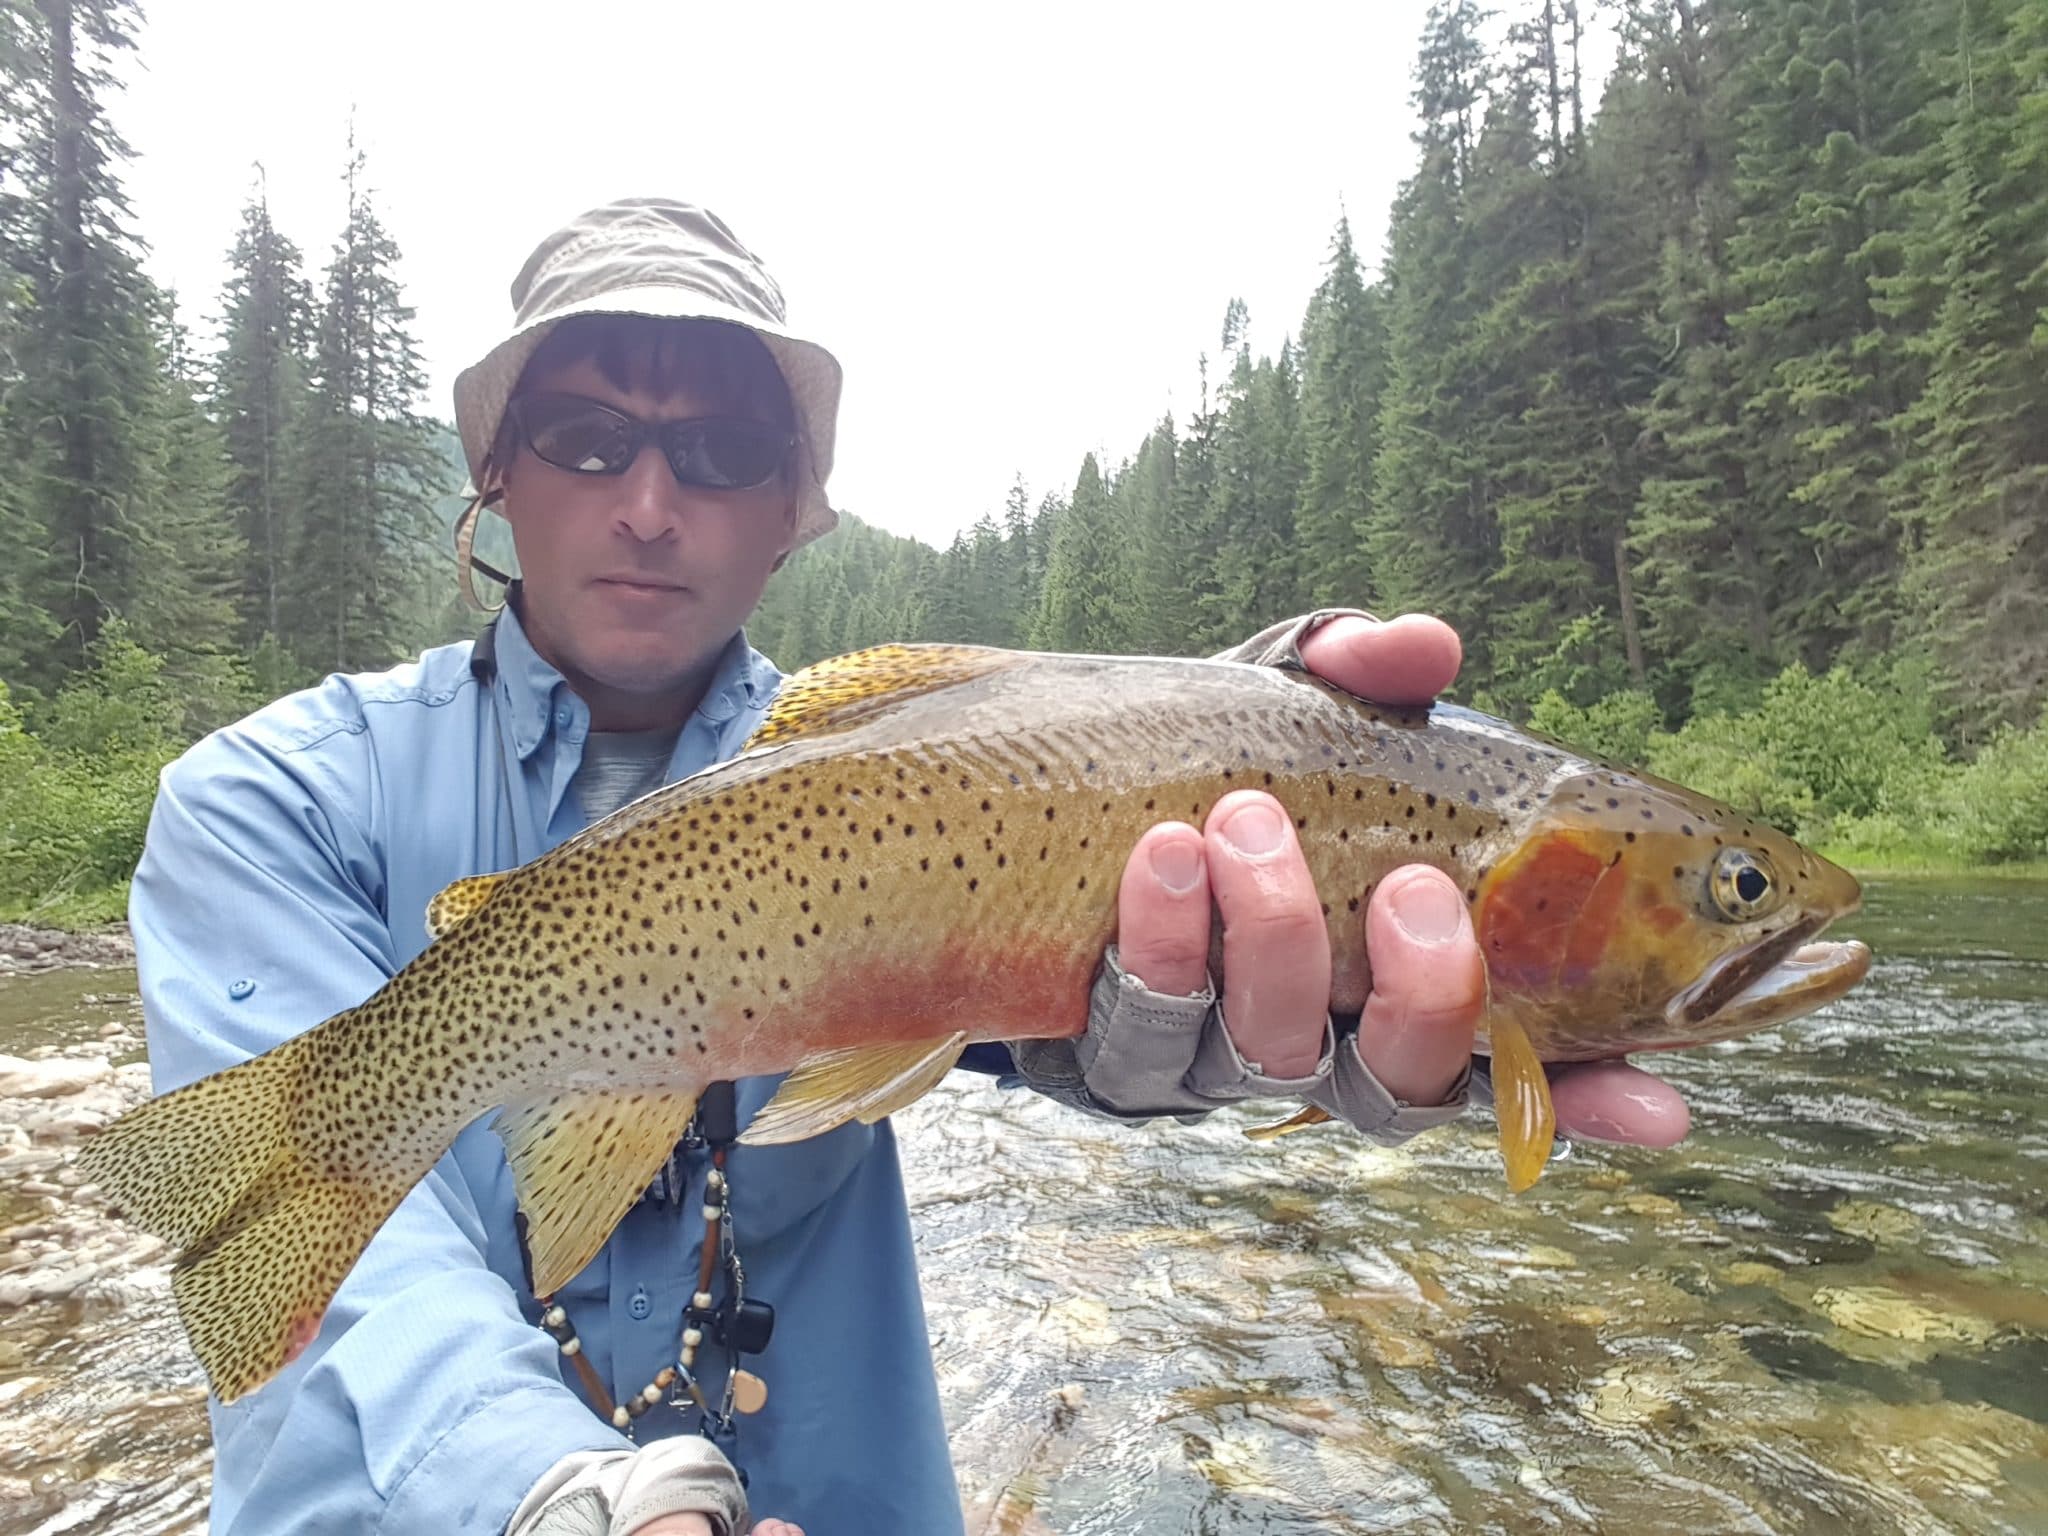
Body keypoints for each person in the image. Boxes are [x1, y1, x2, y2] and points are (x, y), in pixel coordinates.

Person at [128, 198, 1690, 1536]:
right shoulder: (267, 802)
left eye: (721, 452)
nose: (650, 505)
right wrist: (565, 1496)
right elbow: (356, 1283)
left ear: (794, 511)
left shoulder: (932, 774)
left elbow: (1068, 1013)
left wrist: (1254, 730)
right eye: (587, 439)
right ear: (493, 470)